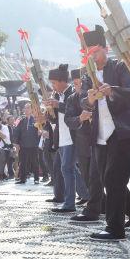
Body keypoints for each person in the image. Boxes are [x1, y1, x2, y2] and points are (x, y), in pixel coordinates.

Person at [72, 26, 130, 241]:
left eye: (95, 52)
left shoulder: (120, 67)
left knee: (114, 180)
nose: (93, 57)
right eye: (89, 54)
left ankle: (115, 228)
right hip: (100, 132)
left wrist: (111, 90)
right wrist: (90, 100)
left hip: (122, 131)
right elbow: (82, 102)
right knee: (108, 179)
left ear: (105, 49)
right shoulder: (88, 74)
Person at [46, 64, 78, 212]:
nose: (53, 86)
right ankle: (85, 197)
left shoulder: (73, 92)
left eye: (54, 83)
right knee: (68, 169)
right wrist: (49, 111)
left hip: (73, 137)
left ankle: (70, 203)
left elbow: (74, 110)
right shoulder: (58, 96)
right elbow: (54, 120)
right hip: (61, 137)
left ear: (62, 81)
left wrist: (59, 105)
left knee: (67, 168)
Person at [14, 103, 40, 184]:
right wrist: (17, 143)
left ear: (32, 109)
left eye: (28, 108)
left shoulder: (35, 120)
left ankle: (36, 178)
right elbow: (17, 132)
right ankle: (22, 179)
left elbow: (39, 131)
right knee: (22, 163)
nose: (26, 110)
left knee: (35, 162)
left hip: (33, 145)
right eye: (25, 108)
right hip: (23, 145)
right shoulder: (22, 120)